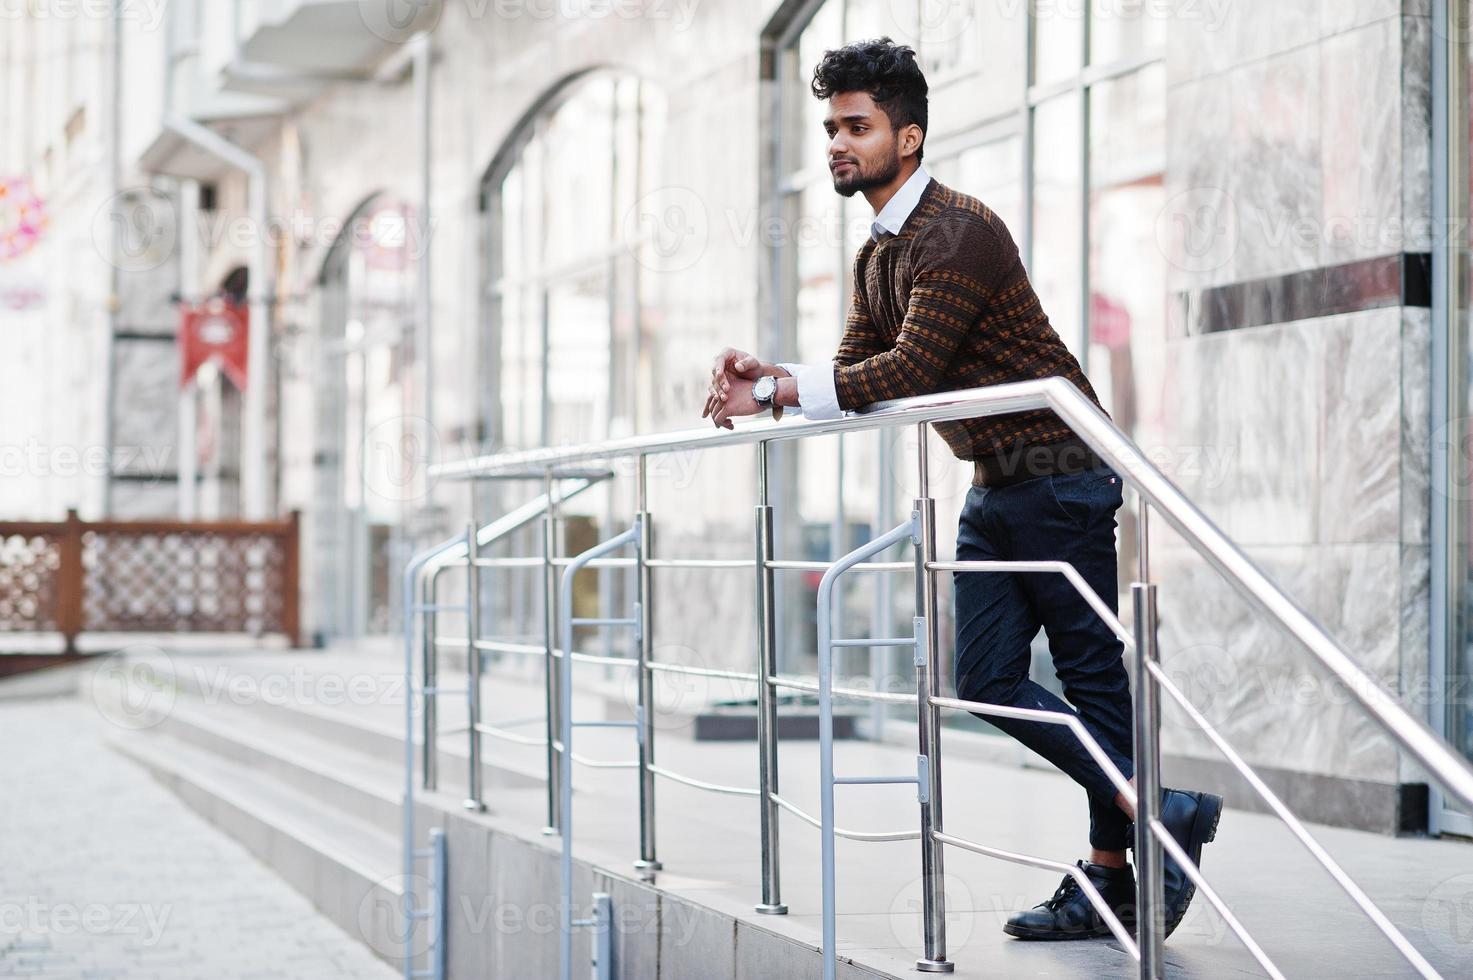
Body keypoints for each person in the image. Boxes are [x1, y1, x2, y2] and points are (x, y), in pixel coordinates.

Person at [702, 36, 1221, 941]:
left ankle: (1111, 869)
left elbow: (907, 370)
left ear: (906, 137)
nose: (836, 142)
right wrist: (773, 378)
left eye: (855, 126)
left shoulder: (956, 232)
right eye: (829, 126)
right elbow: (857, 374)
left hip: (1061, 474)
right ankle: (1158, 811)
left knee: (1093, 679)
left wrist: (781, 392)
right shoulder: (880, 252)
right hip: (995, 480)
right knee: (982, 678)